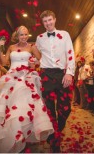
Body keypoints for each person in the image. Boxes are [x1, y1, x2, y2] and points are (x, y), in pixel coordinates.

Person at [0, 26, 53, 153]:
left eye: (26, 34)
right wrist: (1, 47)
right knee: (10, 107)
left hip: (26, 79)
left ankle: (23, 135)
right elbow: (4, 62)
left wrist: (34, 63)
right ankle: (12, 135)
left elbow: (41, 60)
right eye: (22, 34)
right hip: (12, 78)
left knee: (24, 107)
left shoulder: (32, 47)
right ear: (17, 35)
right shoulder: (11, 47)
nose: (24, 37)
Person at [35, 10, 75, 152]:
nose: (48, 23)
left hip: (61, 74)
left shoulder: (64, 35)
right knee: (49, 108)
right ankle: (54, 137)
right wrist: (36, 61)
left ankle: (58, 127)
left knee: (65, 108)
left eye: (50, 20)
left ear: (55, 19)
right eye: (45, 21)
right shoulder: (39, 38)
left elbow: (70, 53)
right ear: (43, 23)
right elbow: (39, 55)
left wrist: (69, 73)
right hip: (46, 74)